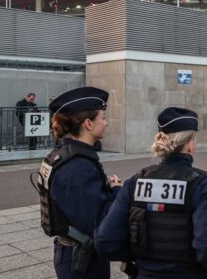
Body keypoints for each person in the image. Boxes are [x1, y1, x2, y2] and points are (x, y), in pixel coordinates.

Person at [94, 107, 207, 278]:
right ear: (190, 145)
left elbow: (106, 241)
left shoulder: (135, 183)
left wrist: (140, 260)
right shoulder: (202, 186)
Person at [31, 87, 122, 278]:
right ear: (88, 124)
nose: (106, 123)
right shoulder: (77, 166)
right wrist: (117, 193)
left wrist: (106, 187)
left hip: (76, 253)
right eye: (102, 117)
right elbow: (98, 222)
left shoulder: (67, 156)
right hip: (81, 260)